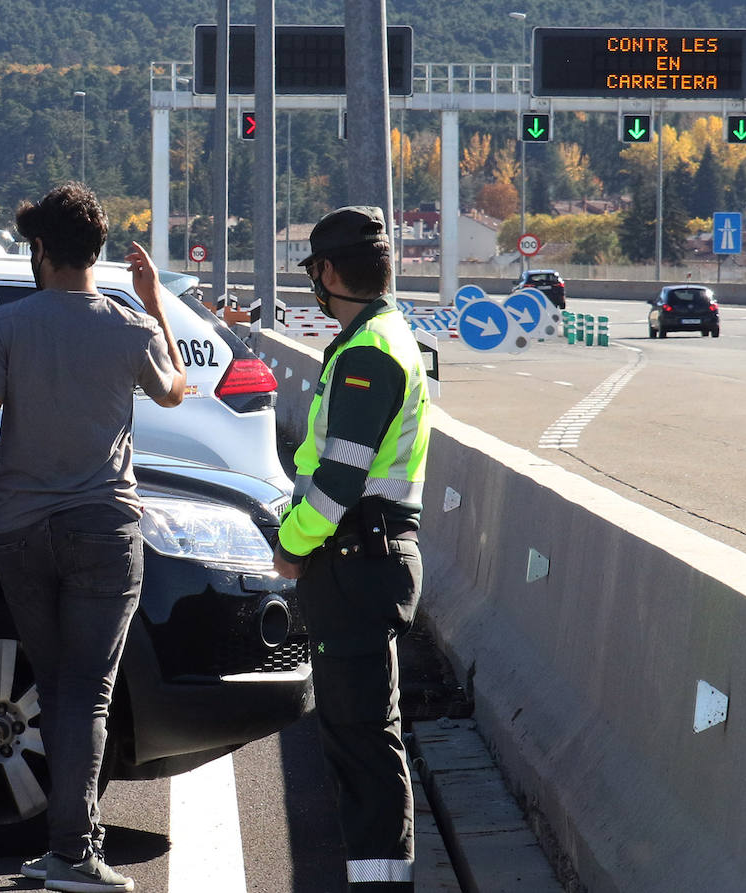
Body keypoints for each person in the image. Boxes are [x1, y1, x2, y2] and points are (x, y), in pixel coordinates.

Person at [0, 183, 185, 893]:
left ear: (40, 249)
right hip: (106, 532)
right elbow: (175, 391)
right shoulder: (130, 325)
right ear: (97, 252)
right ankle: (75, 851)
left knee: (56, 686)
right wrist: (157, 302)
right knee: (89, 694)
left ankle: (67, 849)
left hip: (20, 534)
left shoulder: (5, 325)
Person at [271, 206, 431, 892]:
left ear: (331, 273)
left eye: (315, 271)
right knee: (363, 735)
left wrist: (290, 542)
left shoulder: (368, 352)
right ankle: (377, 879)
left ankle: (380, 884)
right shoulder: (383, 336)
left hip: (356, 561)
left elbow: (338, 479)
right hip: (365, 563)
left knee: (362, 743)